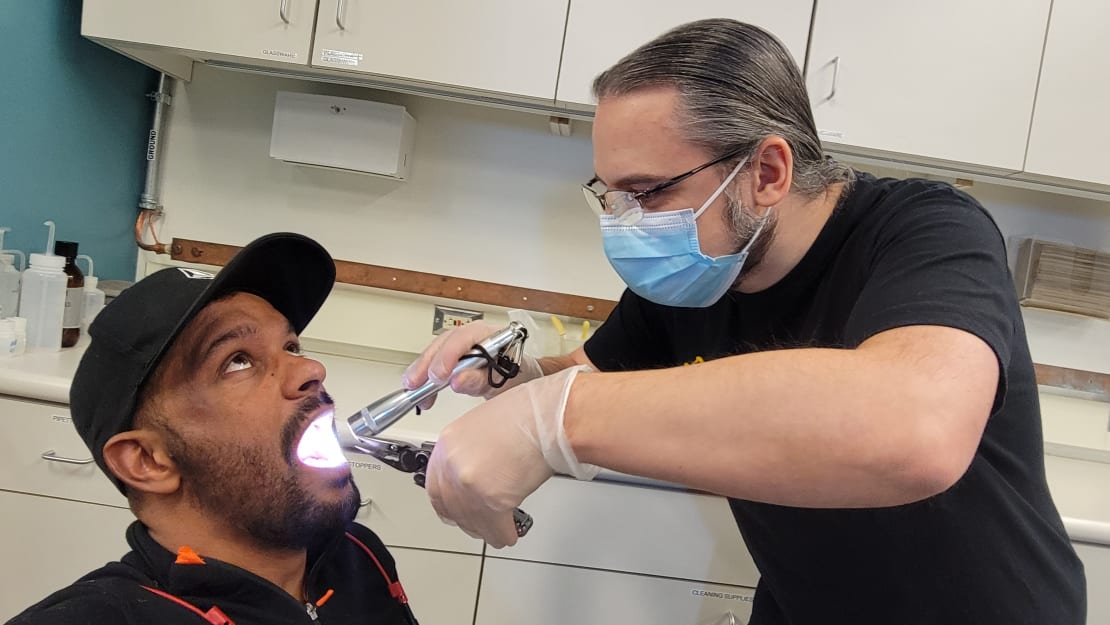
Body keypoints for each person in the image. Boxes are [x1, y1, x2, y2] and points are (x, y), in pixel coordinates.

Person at [402, 18, 1086, 625]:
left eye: (649, 193)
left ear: (766, 170)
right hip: (805, 601)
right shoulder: (691, 275)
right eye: (611, 196)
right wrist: (513, 374)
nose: (627, 222)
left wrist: (555, 417)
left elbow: (916, 429)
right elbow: (586, 380)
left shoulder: (924, 231)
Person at [7, 233, 418, 625]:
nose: (311, 370)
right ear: (149, 460)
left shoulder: (358, 557)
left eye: (291, 346)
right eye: (237, 360)